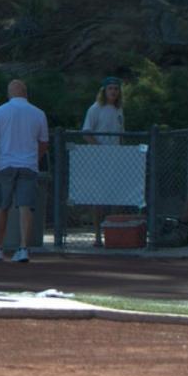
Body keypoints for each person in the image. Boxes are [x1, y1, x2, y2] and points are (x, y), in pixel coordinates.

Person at [0, 79, 50, 263]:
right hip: (28, 165)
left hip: (5, 164)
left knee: (2, 206)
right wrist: (35, 158)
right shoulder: (39, 113)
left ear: (9, 93)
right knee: (25, 206)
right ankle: (23, 248)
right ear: (25, 93)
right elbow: (44, 142)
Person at [82, 76, 124, 247]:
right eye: (110, 88)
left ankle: (113, 234)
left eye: (116, 88)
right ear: (104, 91)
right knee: (98, 198)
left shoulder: (119, 110)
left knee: (116, 198)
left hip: (115, 159)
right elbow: (86, 133)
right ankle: (97, 235)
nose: (113, 91)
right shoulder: (95, 109)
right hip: (99, 160)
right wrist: (100, 150)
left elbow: (121, 134)